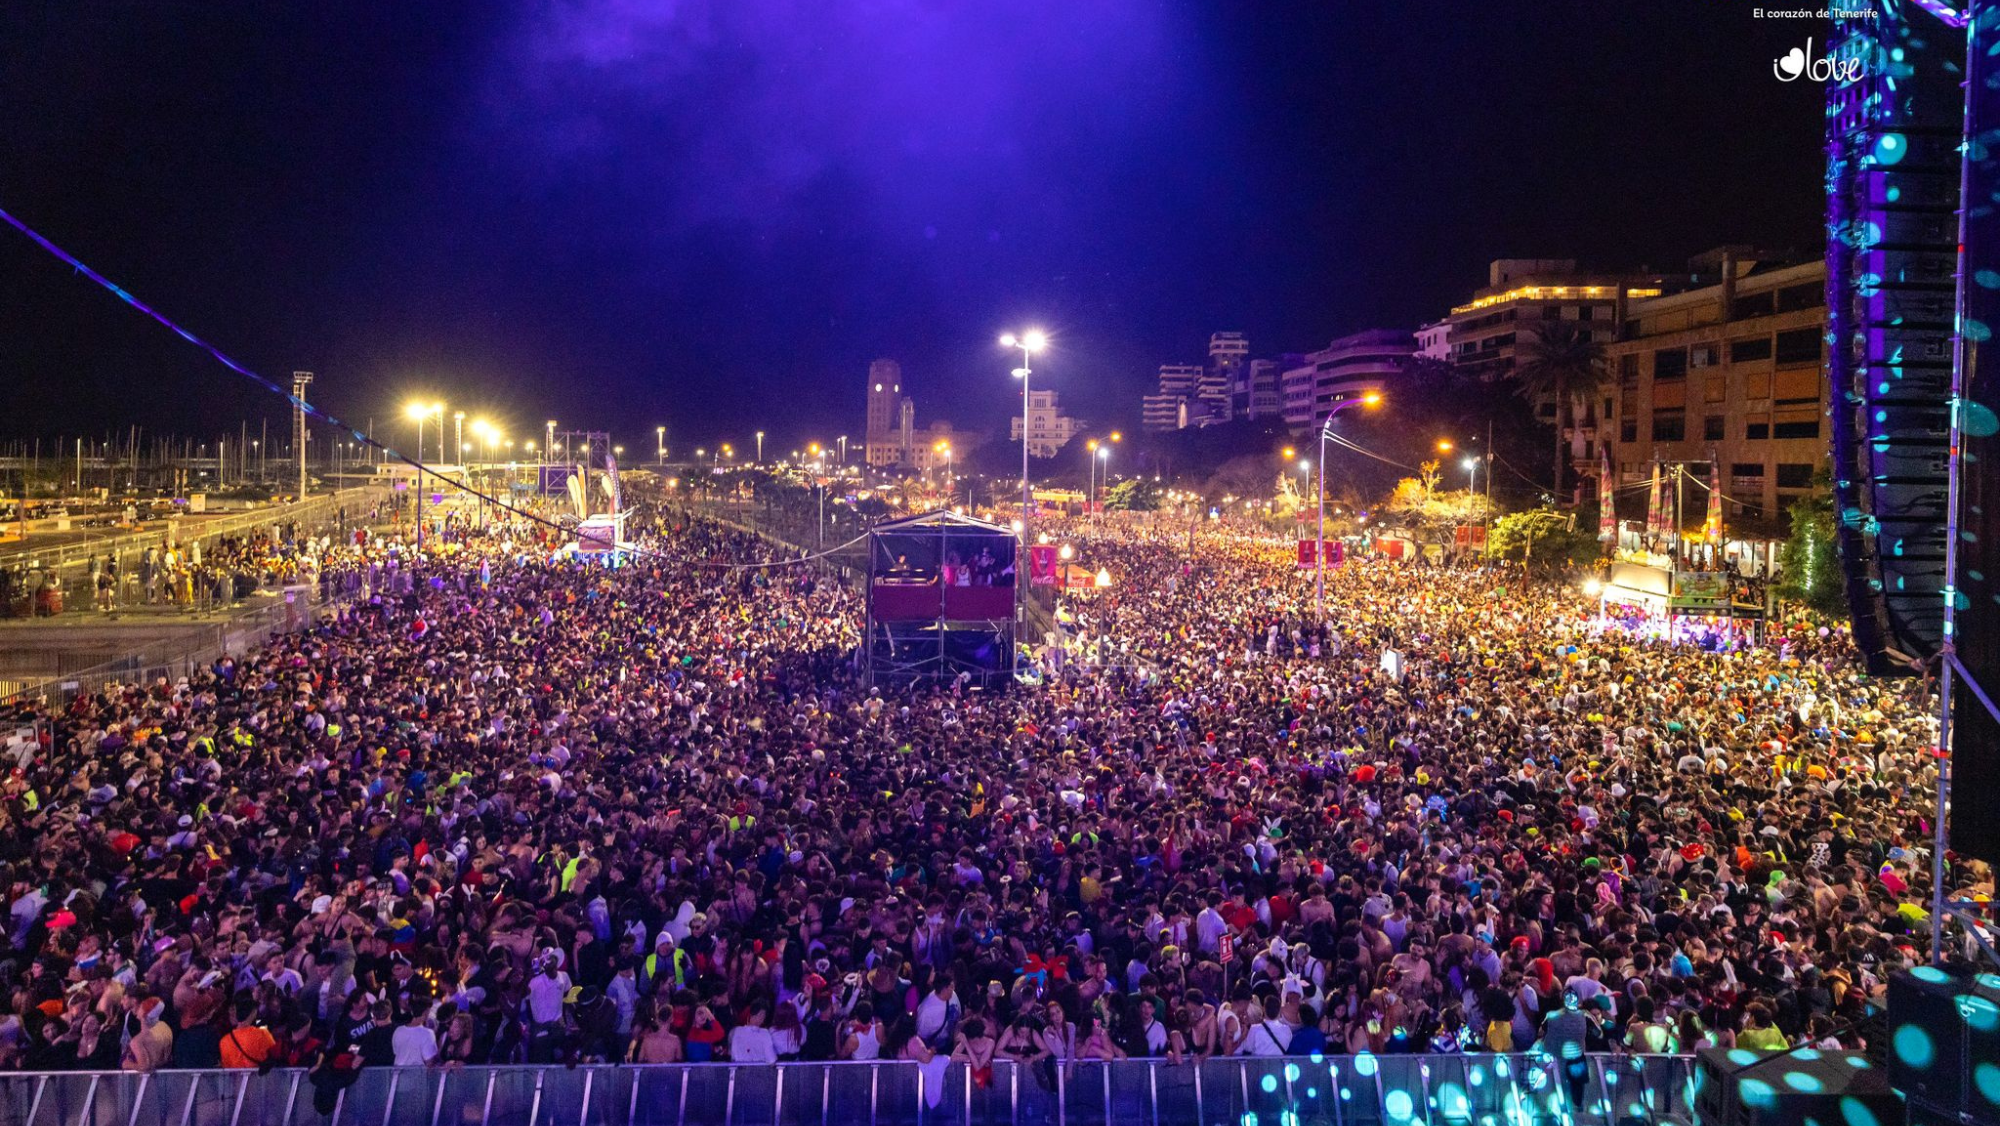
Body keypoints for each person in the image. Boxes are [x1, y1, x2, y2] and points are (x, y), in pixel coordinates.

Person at [220, 1002, 277, 1070]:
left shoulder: (224, 1041)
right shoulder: (262, 1034)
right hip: (258, 1078)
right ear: (252, 1014)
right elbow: (275, 1054)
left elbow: (226, 1067)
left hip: (235, 1079)